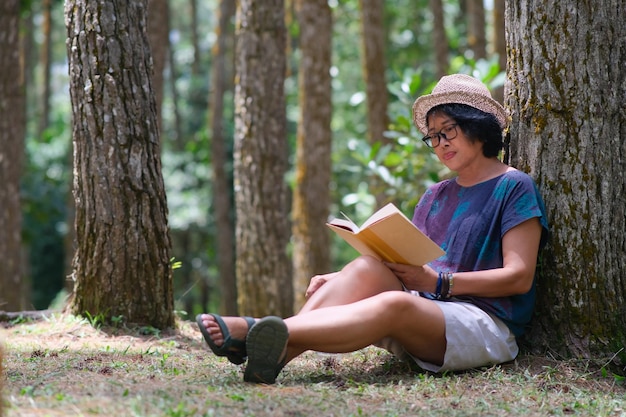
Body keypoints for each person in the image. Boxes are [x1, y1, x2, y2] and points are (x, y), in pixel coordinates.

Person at [196, 73, 549, 384]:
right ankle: (277, 353)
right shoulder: (435, 195)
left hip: (482, 322)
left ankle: (258, 329)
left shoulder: (514, 186)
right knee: (367, 265)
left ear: (478, 125)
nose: (441, 144)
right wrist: (339, 277)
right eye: (433, 137)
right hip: (426, 306)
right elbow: (409, 264)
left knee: (395, 304)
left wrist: (439, 283)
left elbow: (519, 277)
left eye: (449, 131)